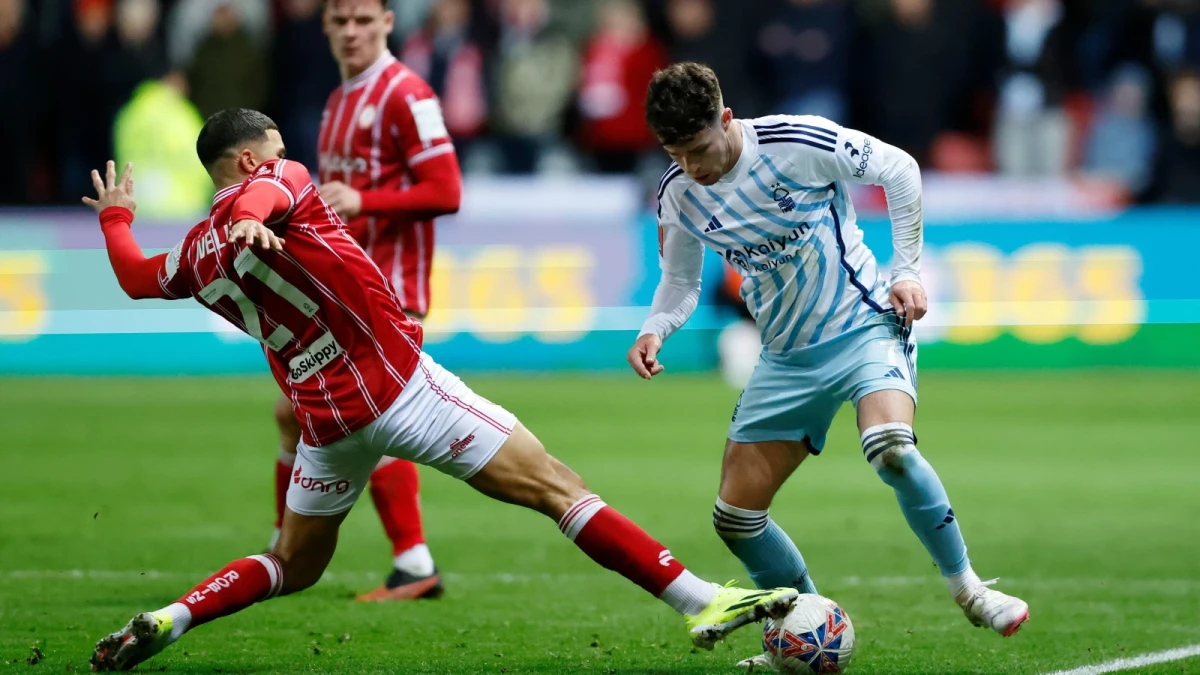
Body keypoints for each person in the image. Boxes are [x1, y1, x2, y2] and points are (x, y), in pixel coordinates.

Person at [84, 109, 799, 672]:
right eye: (269, 150)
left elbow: (134, 276)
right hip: (402, 389)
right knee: (556, 485)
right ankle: (699, 599)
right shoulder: (279, 180)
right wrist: (250, 212)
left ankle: (171, 617)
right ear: (247, 159)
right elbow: (269, 192)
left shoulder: (194, 253)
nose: (279, 157)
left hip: (326, 426)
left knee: (290, 563)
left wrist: (117, 217)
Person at [627, 62, 1029, 666]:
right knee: (735, 518)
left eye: (700, 148)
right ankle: (809, 620)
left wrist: (908, 270)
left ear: (727, 119)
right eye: (676, 153)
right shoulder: (678, 193)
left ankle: (971, 590)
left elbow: (901, 168)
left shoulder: (797, 143)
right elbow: (681, 280)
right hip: (786, 357)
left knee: (892, 446)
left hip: (862, 324)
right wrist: (655, 327)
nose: (693, 166)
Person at [264, 0, 464, 602]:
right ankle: (283, 547)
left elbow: (447, 189)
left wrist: (364, 201)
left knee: (363, 418)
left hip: (389, 287)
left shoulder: (408, 94)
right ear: (325, 27)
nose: (351, 32)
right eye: (340, 21)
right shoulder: (339, 99)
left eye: (362, 20)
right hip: (346, 288)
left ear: (387, 22)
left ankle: (408, 561)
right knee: (292, 412)